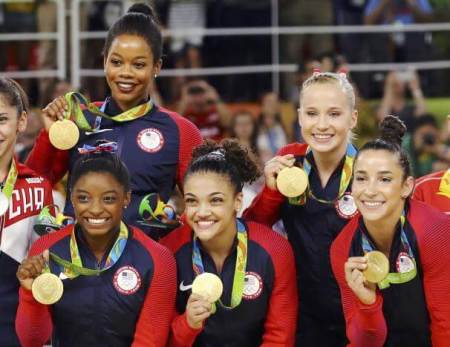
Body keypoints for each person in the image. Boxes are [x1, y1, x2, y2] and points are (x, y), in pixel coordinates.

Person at [26, 3, 202, 240]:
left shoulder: (181, 131)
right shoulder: (77, 119)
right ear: (104, 61)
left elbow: (204, 206)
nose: (125, 73)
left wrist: (165, 248)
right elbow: (32, 188)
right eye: (117, 62)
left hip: (142, 272)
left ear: (156, 67)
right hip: (76, 267)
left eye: (138, 65)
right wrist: (49, 135)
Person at [16, 150, 177, 346]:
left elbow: (150, 341)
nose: (95, 209)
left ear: (126, 198)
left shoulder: (157, 258)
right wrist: (30, 294)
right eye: (84, 198)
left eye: (108, 198)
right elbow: (31, 339)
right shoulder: (47, 250)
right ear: (72, 198)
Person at [244, 71, 358, 346]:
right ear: (299, 116)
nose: (321, 125)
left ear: (352, 118)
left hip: (359, 309)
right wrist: (271, 191)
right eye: (311, 113)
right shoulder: (289, 162)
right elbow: (255, 231)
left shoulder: (370, 170)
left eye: (334, 114)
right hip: (302, 311)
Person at [161, 140, 297, 347]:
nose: (202, 212)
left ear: (237, 201)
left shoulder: (275, 249)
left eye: (215, 200)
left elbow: (280, 337)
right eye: (192, 201)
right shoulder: (168, 252)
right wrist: (187, 325)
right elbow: (162, 340)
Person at [331, 115, 450, 347]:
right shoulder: (343, 248)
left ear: (406, 186)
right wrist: (367, 304)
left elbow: (445, 326)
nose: (370, 191)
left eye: (384, 179)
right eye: (361, 179)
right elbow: (363, 341)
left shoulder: (434, 231)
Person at [0, 78, 54, 347]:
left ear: (21, 122)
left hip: (15, 329)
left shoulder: (38, 187)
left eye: (1, 120)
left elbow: (45, 263)